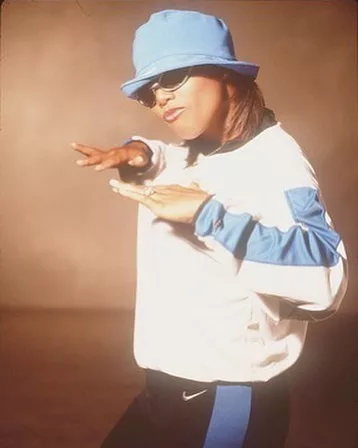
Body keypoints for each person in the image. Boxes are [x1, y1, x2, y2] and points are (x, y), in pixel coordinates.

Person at [73, 9, 348, 448]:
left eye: (173, 77)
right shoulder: (208, 147)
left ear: (227, 76)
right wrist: (139, 152)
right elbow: (177, 156)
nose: (159, 98)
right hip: (165, 388)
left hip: (225, 397)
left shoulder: (279, 162)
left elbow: (325, 276)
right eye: (149, 91)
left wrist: (211, 217)